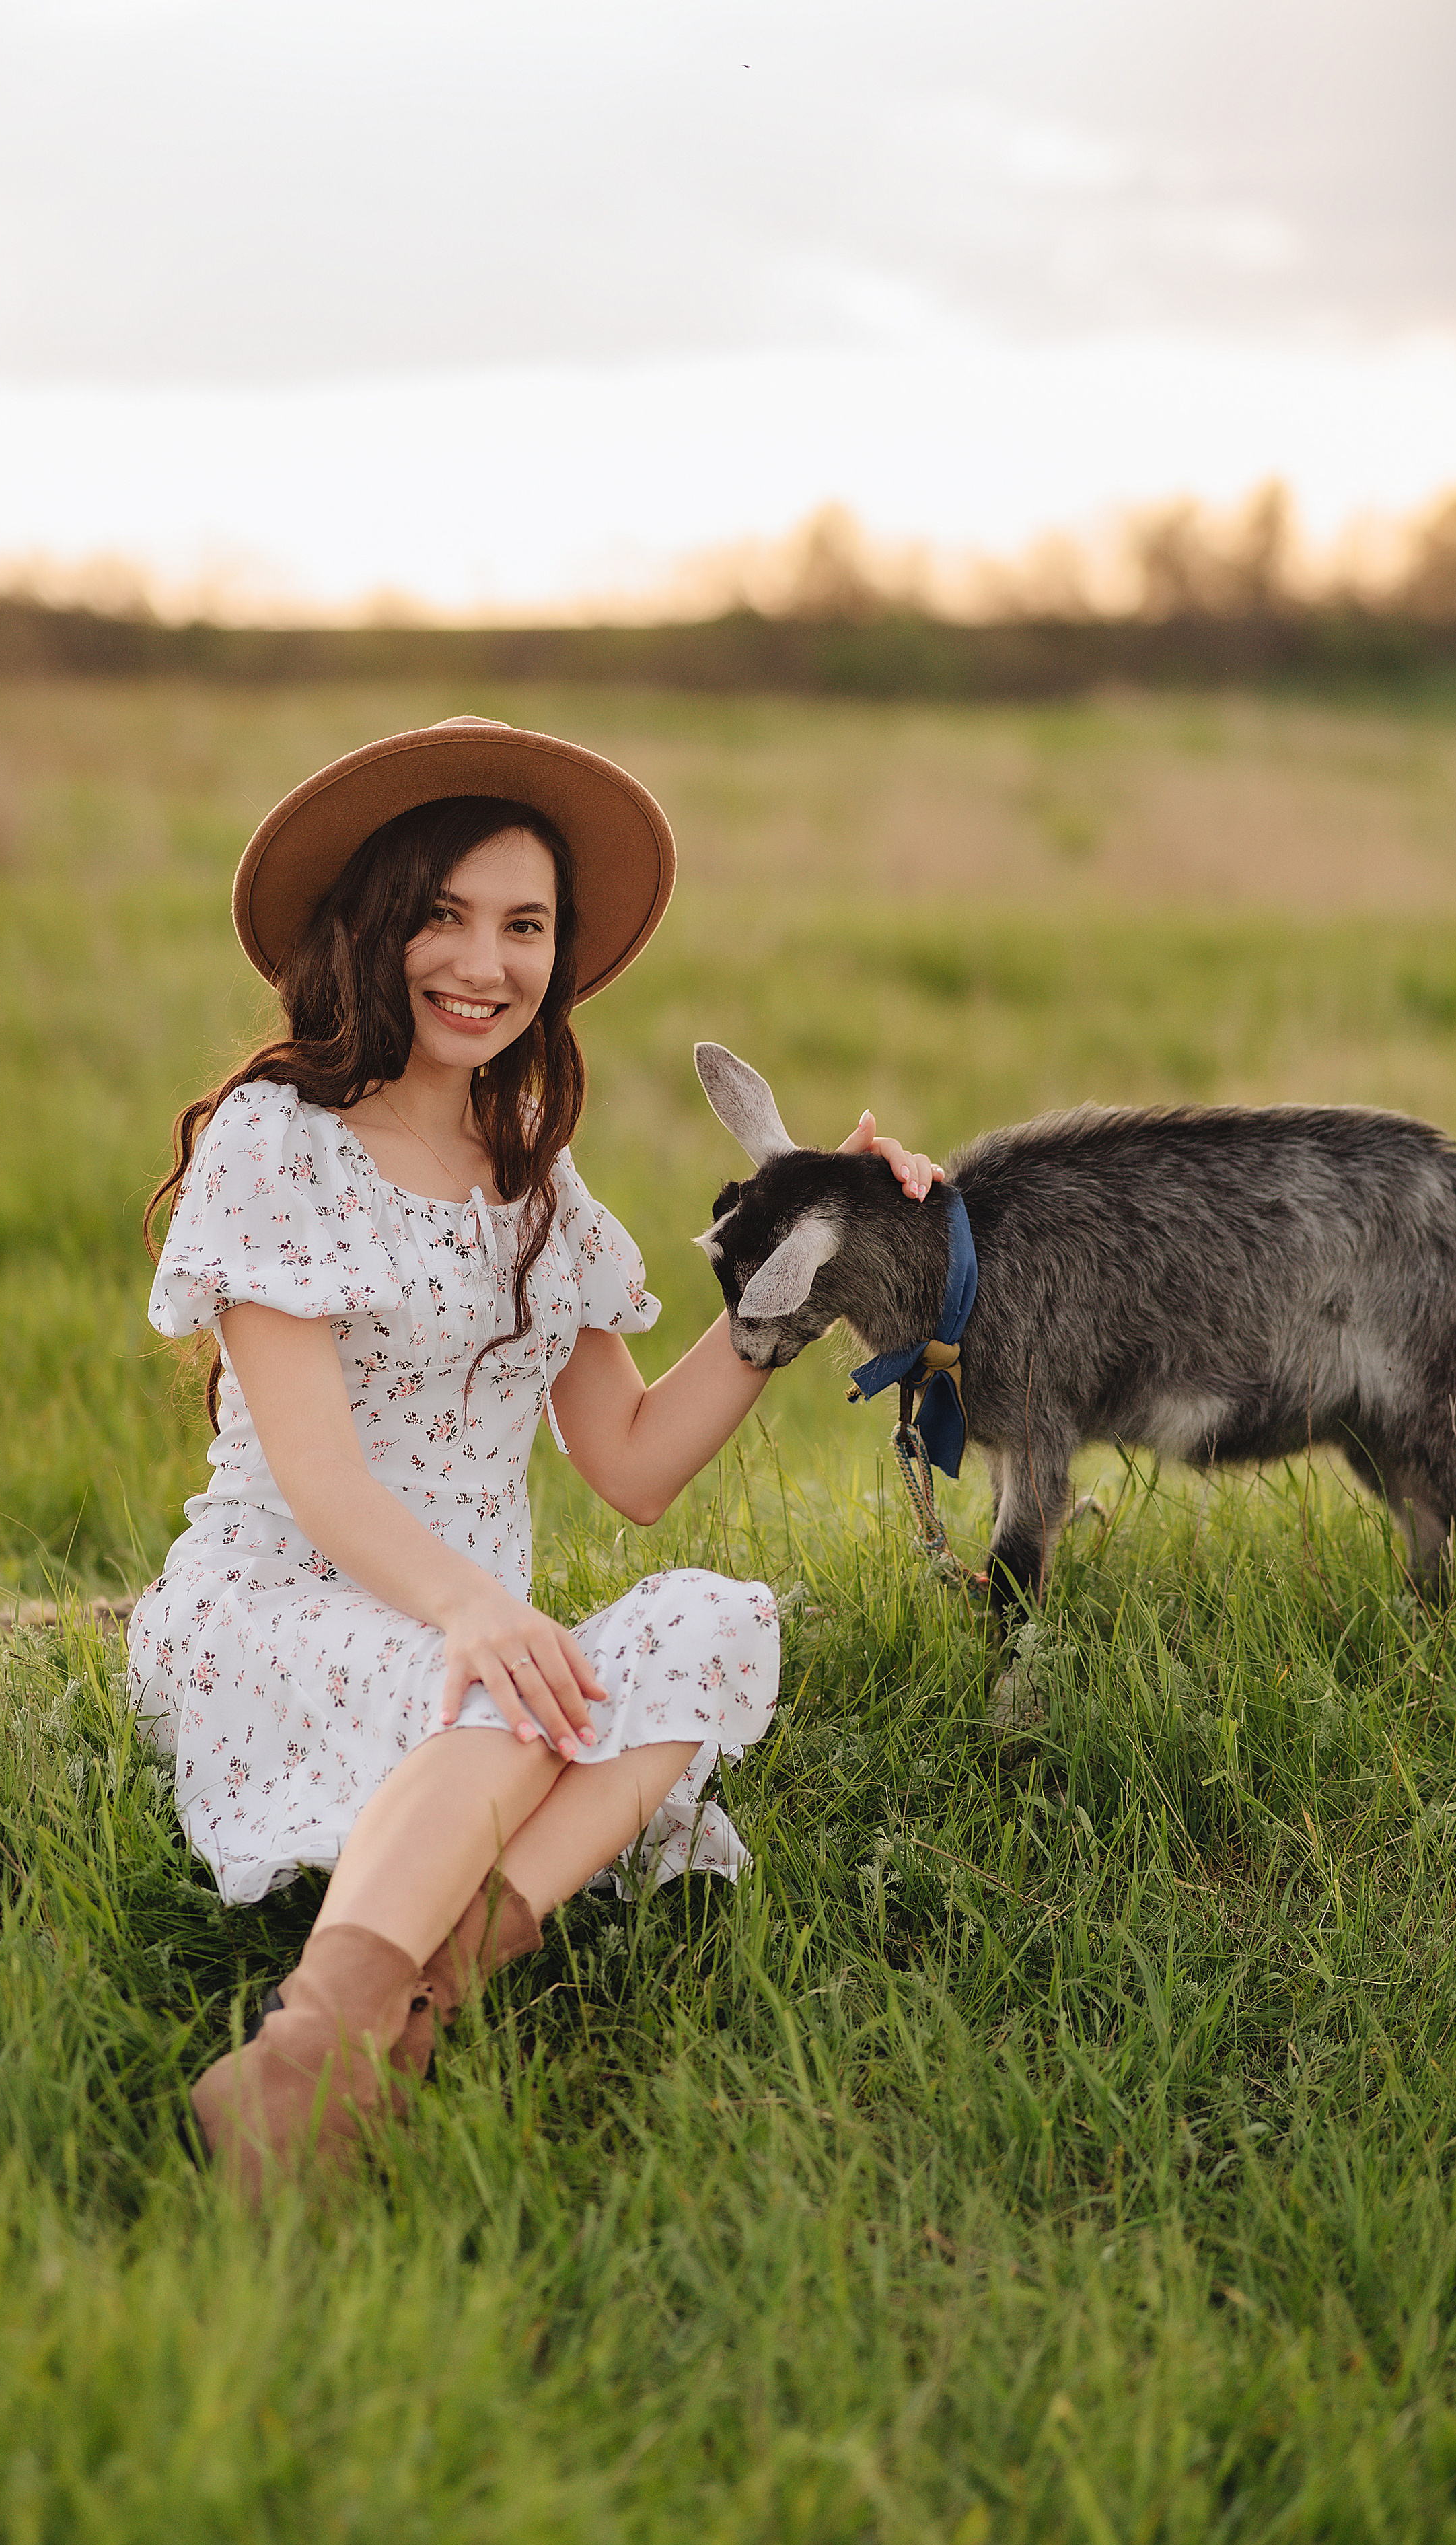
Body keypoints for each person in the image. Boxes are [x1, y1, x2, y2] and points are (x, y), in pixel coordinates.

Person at [128, 716, 939, 2195]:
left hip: (470, 1632)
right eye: (440, 916)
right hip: (285, 1601)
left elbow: (629, 1461)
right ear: (369, 927)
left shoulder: (531, 1171)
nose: (479, 963)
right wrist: (473, 1608)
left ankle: (413, 2009)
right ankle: (308, 2065)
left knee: (713, 1616)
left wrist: (814, 1261)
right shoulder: (275, 1140)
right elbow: (318, 1475)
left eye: (522, 926)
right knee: (509, 1700)